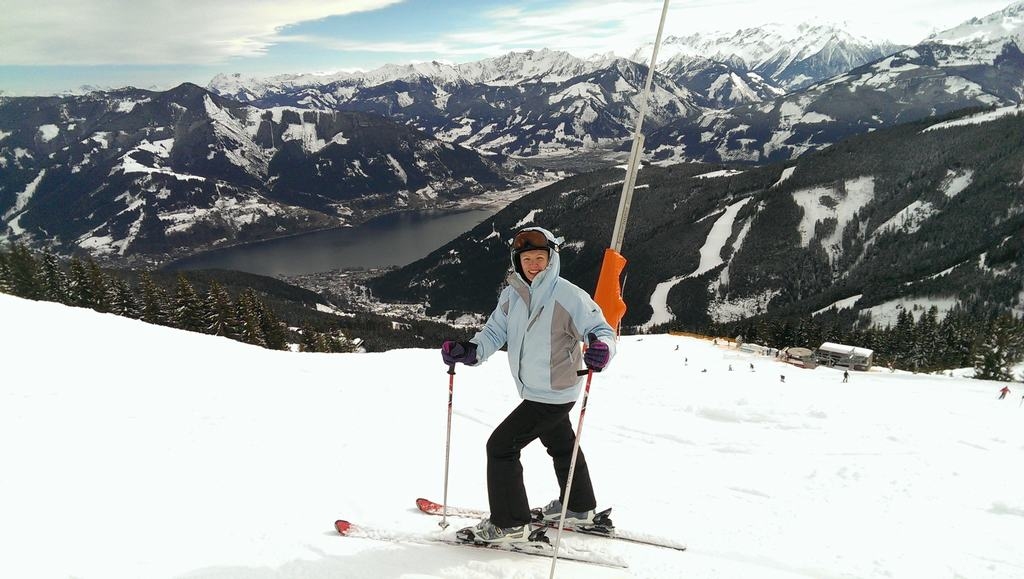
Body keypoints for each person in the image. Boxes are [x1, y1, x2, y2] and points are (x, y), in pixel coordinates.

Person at [440, 227, 616, 545]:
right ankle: (578, 507)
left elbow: (601, 329)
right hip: (537, 389)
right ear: (517, 261)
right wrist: (471, 351)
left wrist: (601, 349)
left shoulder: (568, 295)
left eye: (540, 257)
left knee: (501, 447)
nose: (533, 264)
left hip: (554, 392)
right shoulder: (514, 294)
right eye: (527, 259)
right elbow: (495, 331)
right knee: (561, 445)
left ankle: (509, 524)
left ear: (551, 259)